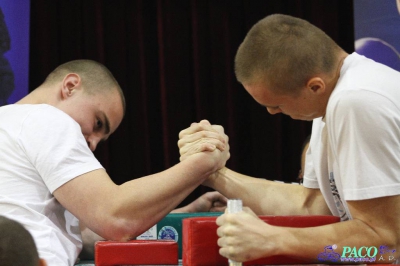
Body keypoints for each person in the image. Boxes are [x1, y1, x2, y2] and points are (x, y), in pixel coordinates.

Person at [178, 14, 400, 263]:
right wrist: (212, 172)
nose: (272, 113)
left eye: (277, 105)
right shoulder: (337, 94)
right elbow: (314, 206)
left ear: (314, 86)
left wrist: (273, 239)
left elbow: (386, 247)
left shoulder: (356, 101)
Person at [0, 59, 230, 266]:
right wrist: (205, 161)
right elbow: (115, 219)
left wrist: (183, 213)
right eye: (98, 123)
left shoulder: (9, 123)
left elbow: (90, 234)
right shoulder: (47, 119)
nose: (93, 144)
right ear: (70, 86)